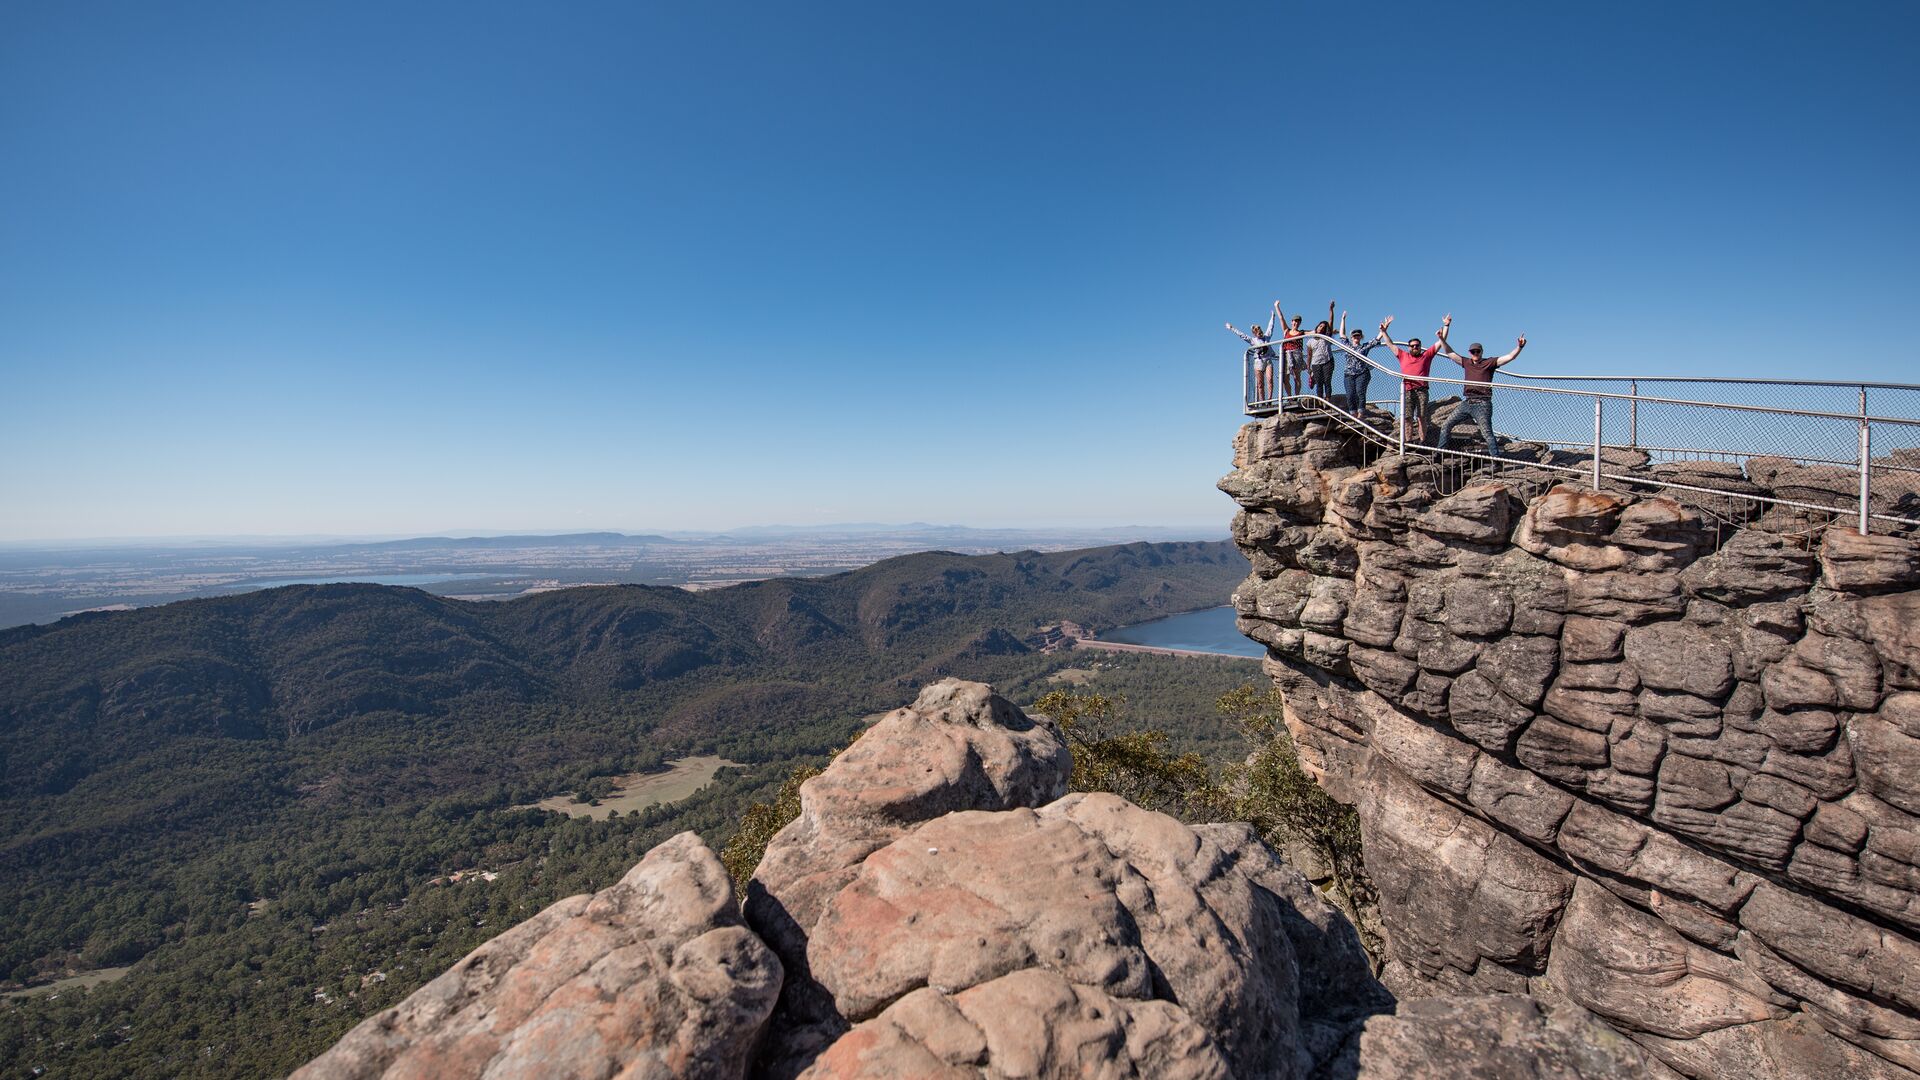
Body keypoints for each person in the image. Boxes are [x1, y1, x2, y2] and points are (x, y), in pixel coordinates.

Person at [1434, 331, 1528, 461]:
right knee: (1446, 424)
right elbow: (1450, 353)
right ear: (1469, 353)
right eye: (1473, 352)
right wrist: (1442, 339)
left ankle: (1496, 460)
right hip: (1467, 402)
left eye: (1477, 351)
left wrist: (1519, 347)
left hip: (1483, 404)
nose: (1475, 354)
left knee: (1486, 433)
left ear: (1481, 352)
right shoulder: (1466, 362)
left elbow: (1510, 357)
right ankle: (1440, 453)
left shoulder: (1489, 363)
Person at [1377, 313, 1450, 446]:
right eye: (1412, 346)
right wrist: (1383, 332)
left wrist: (1446, 325)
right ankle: (1408, 441)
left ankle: (1423, 442)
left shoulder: (1426, 356)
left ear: (1420, 346)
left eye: (1417, 345)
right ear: (1409, 347)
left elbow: (1442, 341)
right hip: (1407, 390)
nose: (1415, 347)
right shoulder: (1403, 355)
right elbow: (1390, 344)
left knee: (1421, 417)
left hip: (1422, 390)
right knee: (1407, 417)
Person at [1224, 307, 1278, 404]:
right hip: (1258, 362)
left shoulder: (1267, 337)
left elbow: (1271, 326)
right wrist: (1232, 328)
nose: (1260, 334)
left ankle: (1269, 399)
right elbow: (1242, 335)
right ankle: (1262, 401)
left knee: (1270, 379)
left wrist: (1273, 316)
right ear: (1255, 334)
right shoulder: (1253, 340)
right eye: (1258, 333)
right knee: (1260, 384)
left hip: (1268, 360)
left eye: (1260, 332)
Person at [1336, 311, 1386, 413]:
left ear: (1361, 337)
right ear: (1351, 337)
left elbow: (1376, 339)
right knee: (1350, 394)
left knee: (1360, 392)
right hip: (1349, 373)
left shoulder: (1364, 347)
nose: (1356, 337)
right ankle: (1353, 413)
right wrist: (1343, 319)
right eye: (1354, 336)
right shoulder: (1347, 345)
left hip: (1361, 373)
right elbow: (1342, 333)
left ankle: (1361, 413)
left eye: (1358, 336)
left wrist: (1384, 329)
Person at [1304, 303, 1339, 402]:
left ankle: (1327, 399)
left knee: (1327, 381)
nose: (1321, 328)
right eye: (1320, 326)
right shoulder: (1310, 341)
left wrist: (1331, 309)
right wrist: (1308, 366)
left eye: (1323, 327)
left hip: (1328, 361)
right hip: (1316, 363)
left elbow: (1331, 321)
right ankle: (1320, 400)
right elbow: (1309, 355)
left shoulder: (1326, 337)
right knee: (1319, 382)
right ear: (1317, 327)